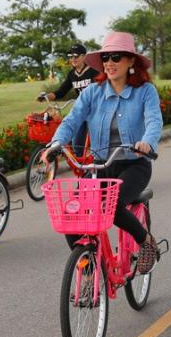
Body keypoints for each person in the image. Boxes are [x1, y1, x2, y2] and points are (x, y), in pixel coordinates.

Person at [48, 31, 164, 274]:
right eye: (106, 58)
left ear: (131, 61)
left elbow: (154, 121)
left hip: (134, 164)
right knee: (72, 212)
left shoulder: (145, 91)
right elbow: (72, 120)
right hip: (101, 166)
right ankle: (89, 266)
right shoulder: (93, 92)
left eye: (116, 57)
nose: (109, 63)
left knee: (110, 207)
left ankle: (146, 242)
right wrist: (56, 143)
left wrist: (147, 142)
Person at [38, 42, 98, 152]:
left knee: (97, 141)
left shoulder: (93, 71)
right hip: (81, 110)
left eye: (76, 56)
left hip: (95, 110)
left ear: (84, 56)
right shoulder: (72, 74)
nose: (73, 59)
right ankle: (81, 167)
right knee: (77, 143)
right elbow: (61, 91)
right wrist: (46, 96)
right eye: (70, 56)